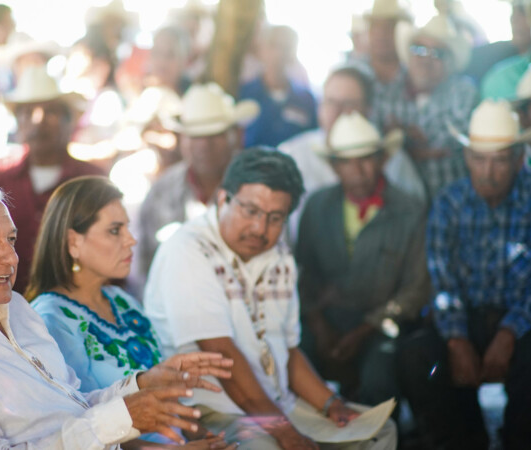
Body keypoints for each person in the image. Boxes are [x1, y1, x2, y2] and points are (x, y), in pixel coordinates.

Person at [0, 177, 234, 448]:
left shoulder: (15, 307)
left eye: (10, 239)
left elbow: (73, 404)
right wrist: (121, 418)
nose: (11, 258)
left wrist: (141, 385)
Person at [144, 148, 397, 449]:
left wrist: (331, 403)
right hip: (212, 412)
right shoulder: (187, 251)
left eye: (275, 218)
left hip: (277, 406)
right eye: (250, 211)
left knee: (379, 431)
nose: (259, 229)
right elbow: (222, 357)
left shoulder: (279, 258)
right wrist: (284, 431)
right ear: (223, 198)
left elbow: (287, 353)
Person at [28, 175, 236, 448]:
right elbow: (85, 427)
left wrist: (200, 436)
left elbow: (165, 394)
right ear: (73, 243)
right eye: (115, 230)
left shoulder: (122, 301)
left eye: (127, 228)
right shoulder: (51, 319)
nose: (131, 240)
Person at [398, 99, 531, 450]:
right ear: (467, 158)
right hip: (465, 318)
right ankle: (461, 441)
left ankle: (518, 440)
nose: (489, 171)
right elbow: (442, 280)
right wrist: (456, 339)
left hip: (521, 321)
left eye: (500, 160)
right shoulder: (449, 202)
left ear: (519, 159)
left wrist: (508, 333)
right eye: (480, 158)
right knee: (419, 356)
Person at [295, 112, 430, 408]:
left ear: (382, 159)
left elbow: (416, 290)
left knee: (380, 382)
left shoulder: (410, 211)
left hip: (382, 324)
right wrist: (319, 325)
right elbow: (304, 274)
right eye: (346, 161)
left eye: (367, 159)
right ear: (333, 166)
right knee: (291, 365)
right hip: (325, 319)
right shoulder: (317, 206)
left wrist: (364, 330)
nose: (358, 170)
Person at [0, 66, 103, 293]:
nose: (38, 121)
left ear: (69, 122)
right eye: (28, 112)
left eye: (50, 112)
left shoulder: (93, 182)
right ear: (18, 122)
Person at [280, 65, 425, 245]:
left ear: (368, 109)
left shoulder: (395, 160)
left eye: (349, 104)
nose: (337, 112)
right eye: (330, 102)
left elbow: (416, 221)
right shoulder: (291, 155)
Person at [136, 83, 258, 286]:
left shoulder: (258, 190)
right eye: (194, 136)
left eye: (214, 135)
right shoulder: (162, 191)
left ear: (235, 137)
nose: (203, 145)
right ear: (181, 139)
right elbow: (146, 266)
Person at [372, 14, 477, 198]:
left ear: (450, 63)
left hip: (453, 203)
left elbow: (448, 143)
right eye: (419, 49)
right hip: (399, 209)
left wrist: (399, 140)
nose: (426, 59)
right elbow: (375, 149)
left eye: (438, 53)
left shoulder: (464, 90)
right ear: (409, 54)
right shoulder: (385, 94)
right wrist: (415, 144)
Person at [239, 25, 317, 148]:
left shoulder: (307, 99)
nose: (279, 53)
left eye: (286, 47)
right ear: (261, 49)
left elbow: (313, 140)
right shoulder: (245, 94)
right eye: (273, 45)